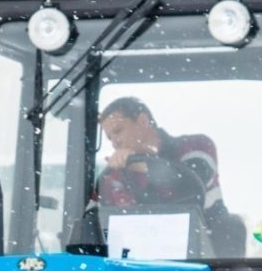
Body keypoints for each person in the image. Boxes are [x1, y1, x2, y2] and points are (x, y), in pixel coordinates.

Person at [94, 96, 242, 256]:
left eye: (118, 131)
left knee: (232, 224)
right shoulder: (113, 178)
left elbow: (190, 185)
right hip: (141, 262)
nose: (115, 143)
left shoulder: (196, 146)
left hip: (210, 259)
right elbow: (104, 224)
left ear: (142, 121)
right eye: (110, 138)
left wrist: (139, 164)